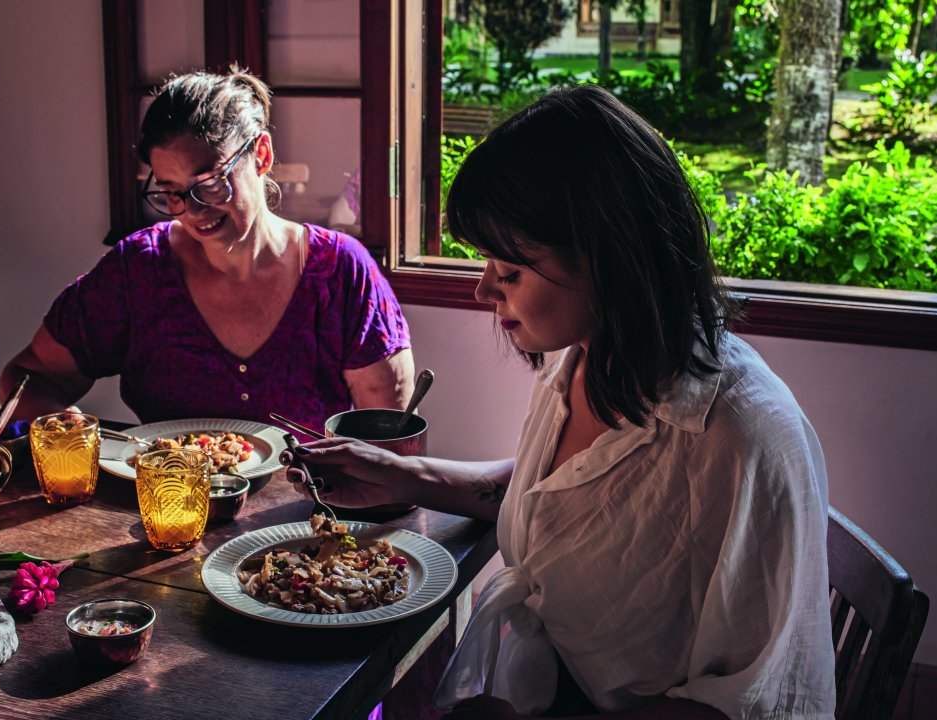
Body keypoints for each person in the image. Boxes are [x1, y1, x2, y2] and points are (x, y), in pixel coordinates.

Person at [281, 84, 834, 720]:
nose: (485, 289)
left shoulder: (742, 435)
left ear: (607, 255)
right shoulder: (587, 355)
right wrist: (398, 475)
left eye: (510, 271)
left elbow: (759, 706)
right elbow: (567, 494)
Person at [0, 68, 415, 428]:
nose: (193, 211)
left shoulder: (341, 274)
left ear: (262, 154)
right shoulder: (138, 273)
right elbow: (30, 377)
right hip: (167, 510)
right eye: (171, 192)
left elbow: (388, 444)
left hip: (305, 516)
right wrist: (64, 432)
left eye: (210, 184)